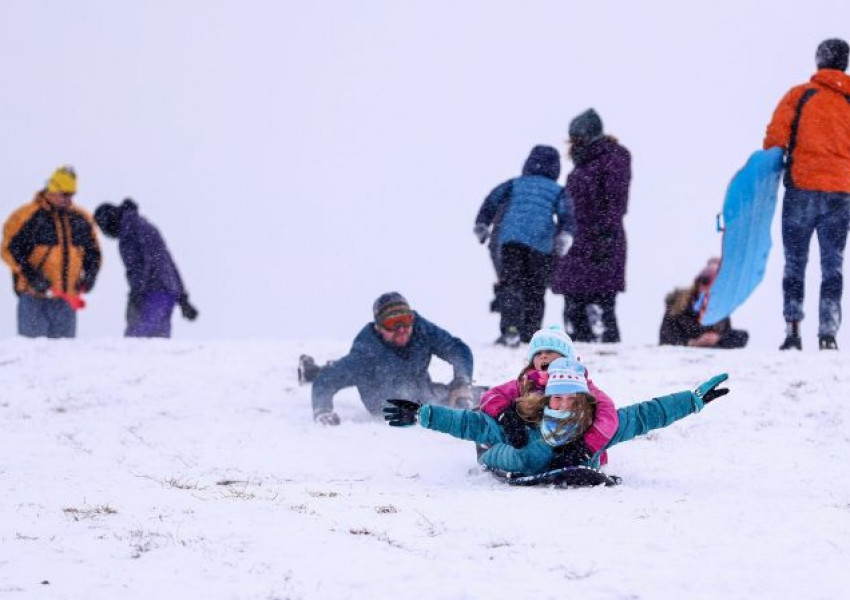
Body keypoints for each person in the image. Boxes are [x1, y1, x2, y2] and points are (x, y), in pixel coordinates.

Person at [384, 357, 730, 477]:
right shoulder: (526, 422)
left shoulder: (593, 429)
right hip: (504, 457)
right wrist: (423, 415)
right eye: (557, 397)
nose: (562, 404)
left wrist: (692, 400)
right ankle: (488, 457)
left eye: (570, 398)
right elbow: (469, 423)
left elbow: (644, 415)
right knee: (504, 450)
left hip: (566, 461)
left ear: (582, 399)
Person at [764, 38, 850, 351]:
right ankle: (828, 334)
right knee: (833, 265)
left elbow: (775, 139)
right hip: (840, 193)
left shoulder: (799, 95)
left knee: (795, 263)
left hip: (801, 190)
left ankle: (793, 330)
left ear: (819, 60)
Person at [300, 292, 476, 426]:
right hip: (386, 404)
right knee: (335, 371)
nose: (401, 329)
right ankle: (311, 371)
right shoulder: (365, 352)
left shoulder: (420, 329)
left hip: (423, 392)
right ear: (378, 327)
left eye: (405, 320)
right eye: (392, 323)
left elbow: (456, 348)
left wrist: (462, 381)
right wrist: (323, 411)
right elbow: (327, 380)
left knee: (464, 398)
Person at [474, 145, 575, 346]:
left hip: (512, 240)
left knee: (511, 284)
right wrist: (565, 235)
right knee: (536, 288)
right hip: (541, 244)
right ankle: (531, 332)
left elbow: (491, 201)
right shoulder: (558, 191)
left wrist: (482, 224)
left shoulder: (515, 184)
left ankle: (511, 329)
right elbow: (568, 215)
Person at [477, 325, 618, 464]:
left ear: (567, 358)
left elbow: (608, 413)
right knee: (489, 417)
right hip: (535, 448)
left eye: (550, 351)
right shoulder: (526, 383)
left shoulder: (581, 385)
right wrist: (505, 415)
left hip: (576, 450)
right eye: (538, 353)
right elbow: (491, 396)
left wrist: (587, 446)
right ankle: (491, 449)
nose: (543, 356)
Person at [552, 109, 631, 343]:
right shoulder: (584, 165)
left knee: (599, 308)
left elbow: (615, 204)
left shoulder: (611, 160)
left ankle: (605, 355)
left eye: (576, 137)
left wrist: (603, 237)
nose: (571, 144)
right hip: (578, 244)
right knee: (575, 310)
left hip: (599, 243)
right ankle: (577, 356)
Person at [1, 166, 101, 338]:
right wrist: (31, 276)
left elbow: (93, 253)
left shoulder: (80, 219)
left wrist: (90, 275)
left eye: (71, 195)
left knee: (63, 354)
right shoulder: (27, 216)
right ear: (52, 190)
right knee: (33, 353)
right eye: (64, 194)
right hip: (34, 300)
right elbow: (9, 249)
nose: (68, 199)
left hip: (66, 303)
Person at [94, 198, 198, 338]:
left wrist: (137, 293)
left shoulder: (134, 229)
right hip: (162, 292)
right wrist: (182, 298)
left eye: (102, 227)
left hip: (154, 292)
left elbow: (148, 262)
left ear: (109, 220)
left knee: (136, 342)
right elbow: (167, 262)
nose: (105, 233)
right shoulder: (136, 227)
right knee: (155, 342)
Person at [659, 257, 749, 348]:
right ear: (697, 283)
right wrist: (693, 343)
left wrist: (718, 338)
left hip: (709, 357)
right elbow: (666, 338)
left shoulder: (720, 311)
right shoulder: (677, 305)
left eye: (716, 285)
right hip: (681, 356)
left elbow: (739, 338)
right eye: (705, 281)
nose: (709, 288)